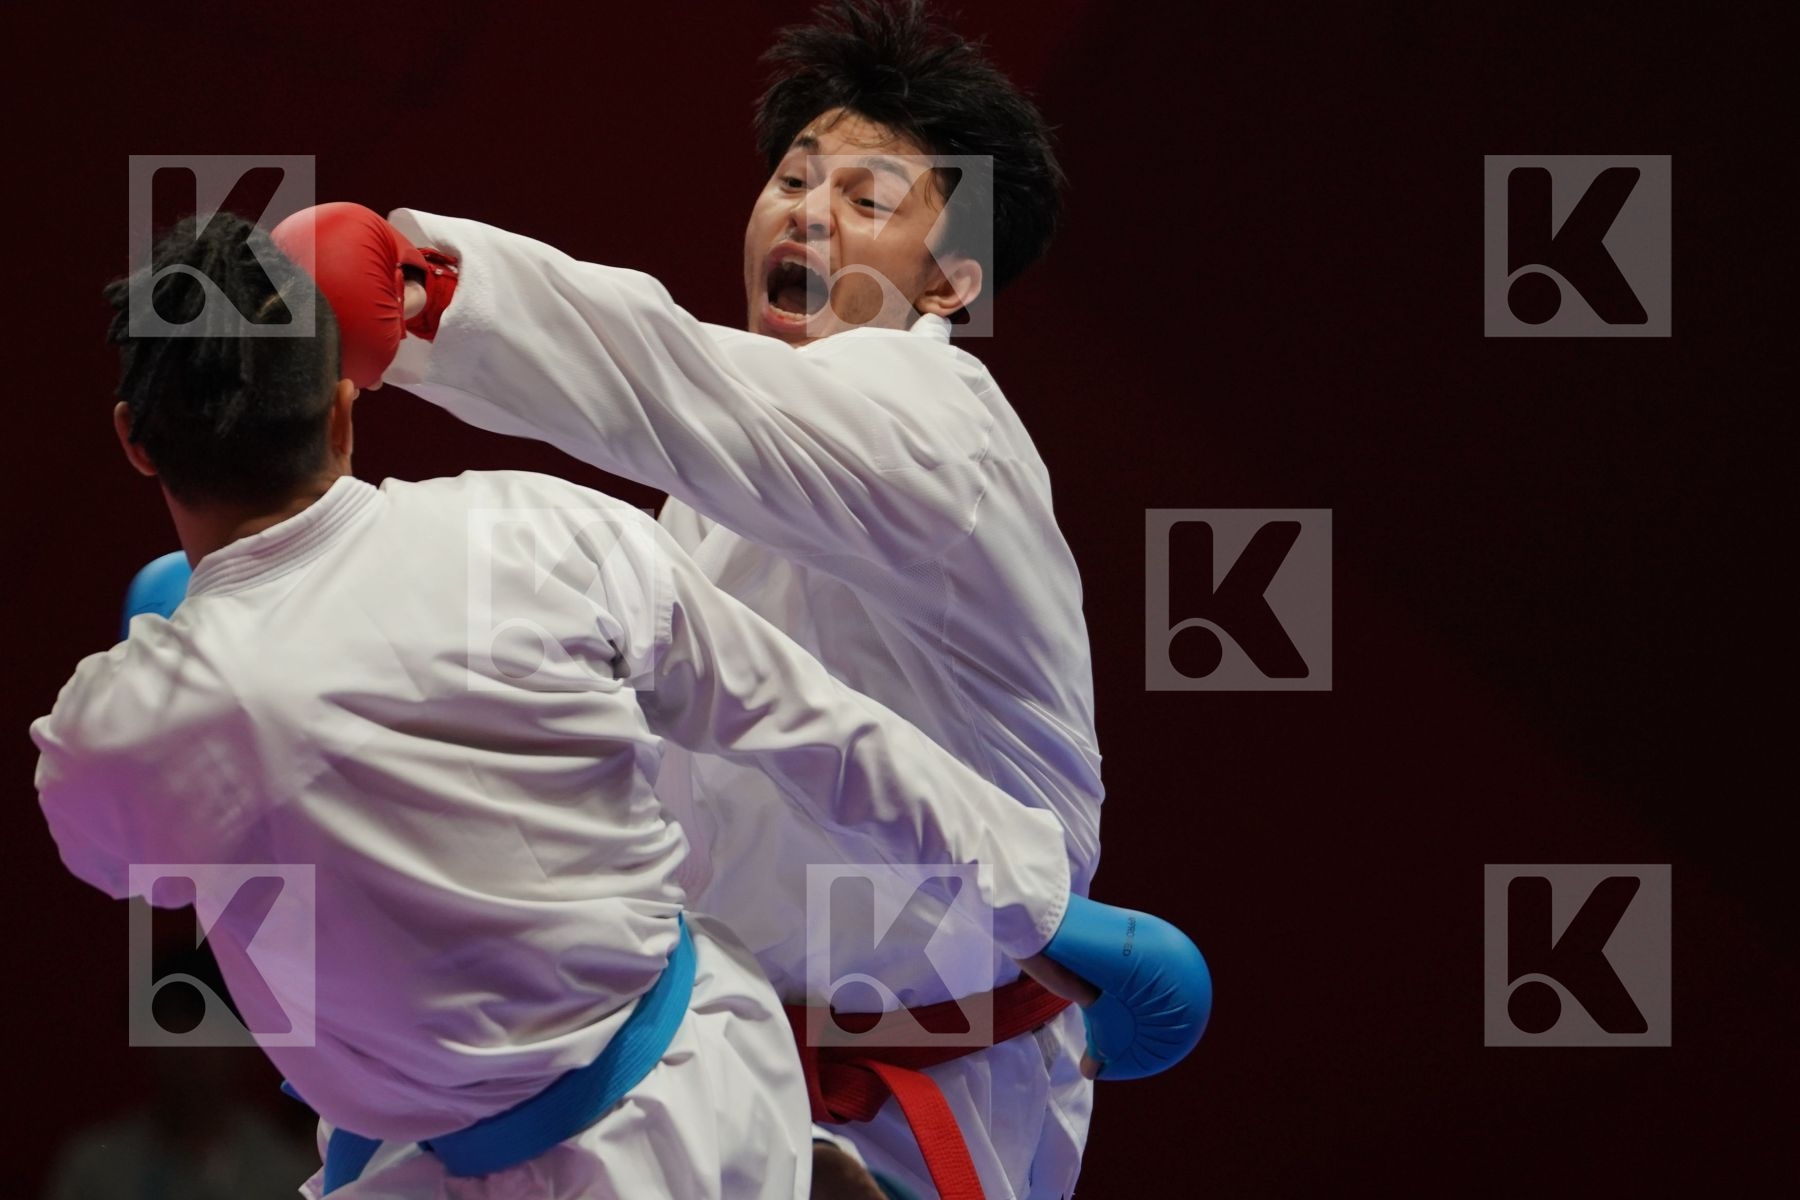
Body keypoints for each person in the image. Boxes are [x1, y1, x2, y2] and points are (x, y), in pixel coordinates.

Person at [32, 211, 1094, 1199]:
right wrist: (1039, 903)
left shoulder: (119, 731)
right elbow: (812, 726)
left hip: (522, 1139)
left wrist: (175, 664)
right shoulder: (541, 533)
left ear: (135, 439)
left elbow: (130, 862)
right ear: (341, 404)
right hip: (705, 1120)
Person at [346, 3, 1110, 1195]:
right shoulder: (707, 500)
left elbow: (673, 380)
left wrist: (433, 295)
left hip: (924, 1090)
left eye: (865, 200)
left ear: (951, 279)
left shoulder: (936, 418)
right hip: (718, 1055)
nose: (804, 208)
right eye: (793, 177)